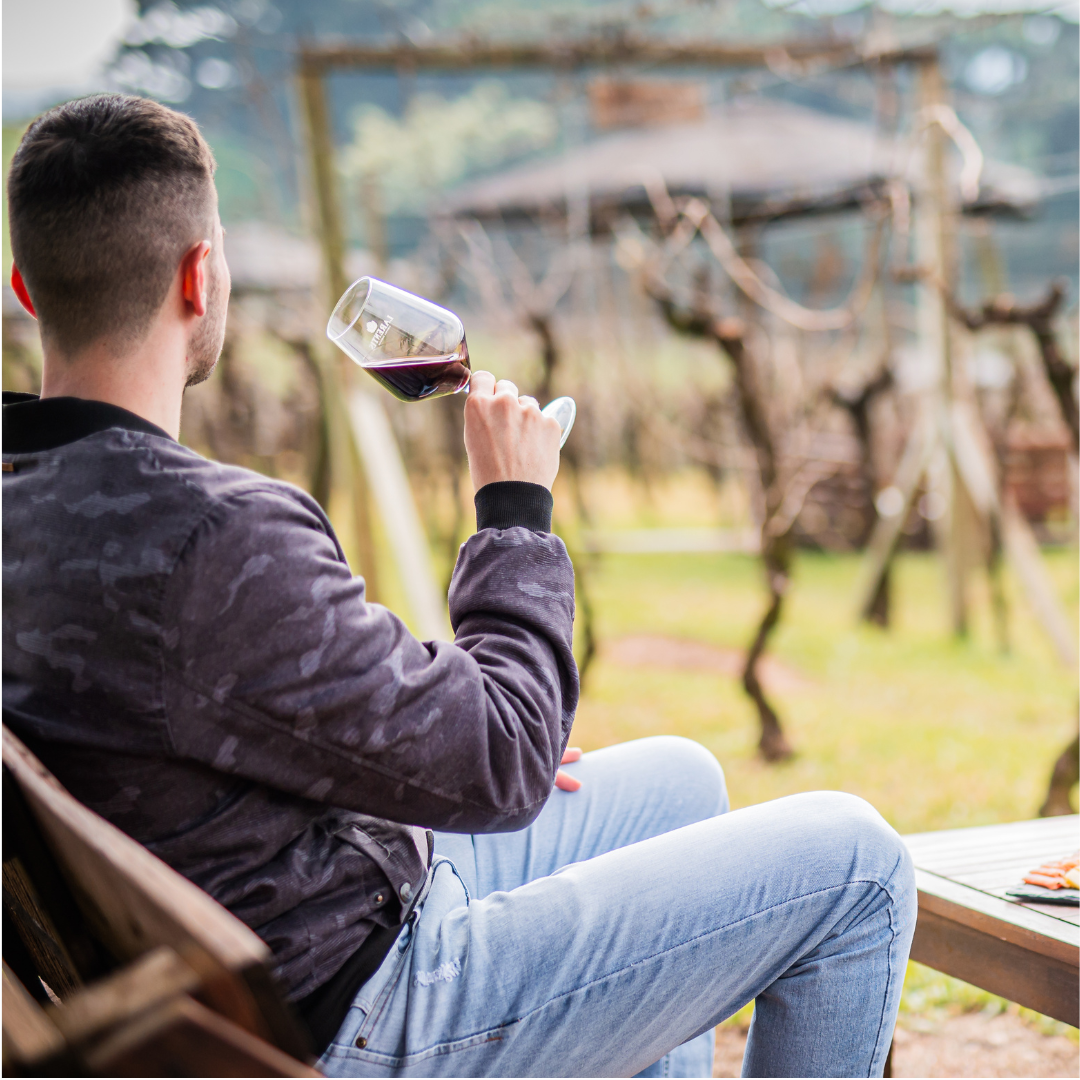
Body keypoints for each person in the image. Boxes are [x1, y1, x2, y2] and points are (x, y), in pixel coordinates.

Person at [2, 94, 916, 1079]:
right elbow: (508, 762)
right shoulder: (214, 533)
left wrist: (464, 730)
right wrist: (514, 506)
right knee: (857, 859)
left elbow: (246, 718)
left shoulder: (30, 508)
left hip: (267, 940)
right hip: (365, 1006)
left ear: (25, 287)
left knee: (680, 780)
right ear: (201, 275)